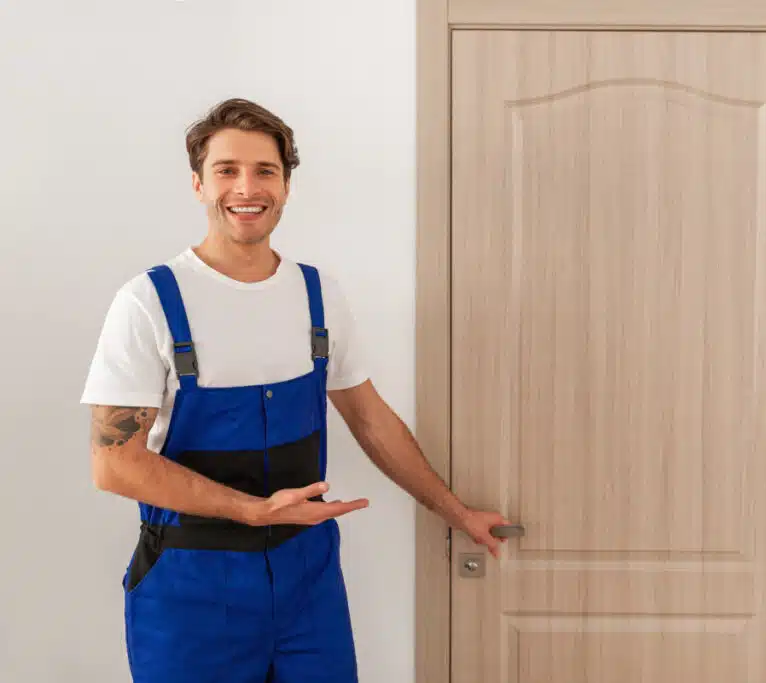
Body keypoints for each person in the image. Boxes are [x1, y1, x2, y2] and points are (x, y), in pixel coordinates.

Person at [80, 97, 509, 683]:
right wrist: (253, 512)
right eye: (226, 170)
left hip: (307, 580)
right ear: (198, 184)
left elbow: (370, 418)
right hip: (191, 587)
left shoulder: (317, 296)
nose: (246, 188)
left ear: (286, 185)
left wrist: (455, 512)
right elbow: (115, 465)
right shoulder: (149, 302)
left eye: (265, 171)